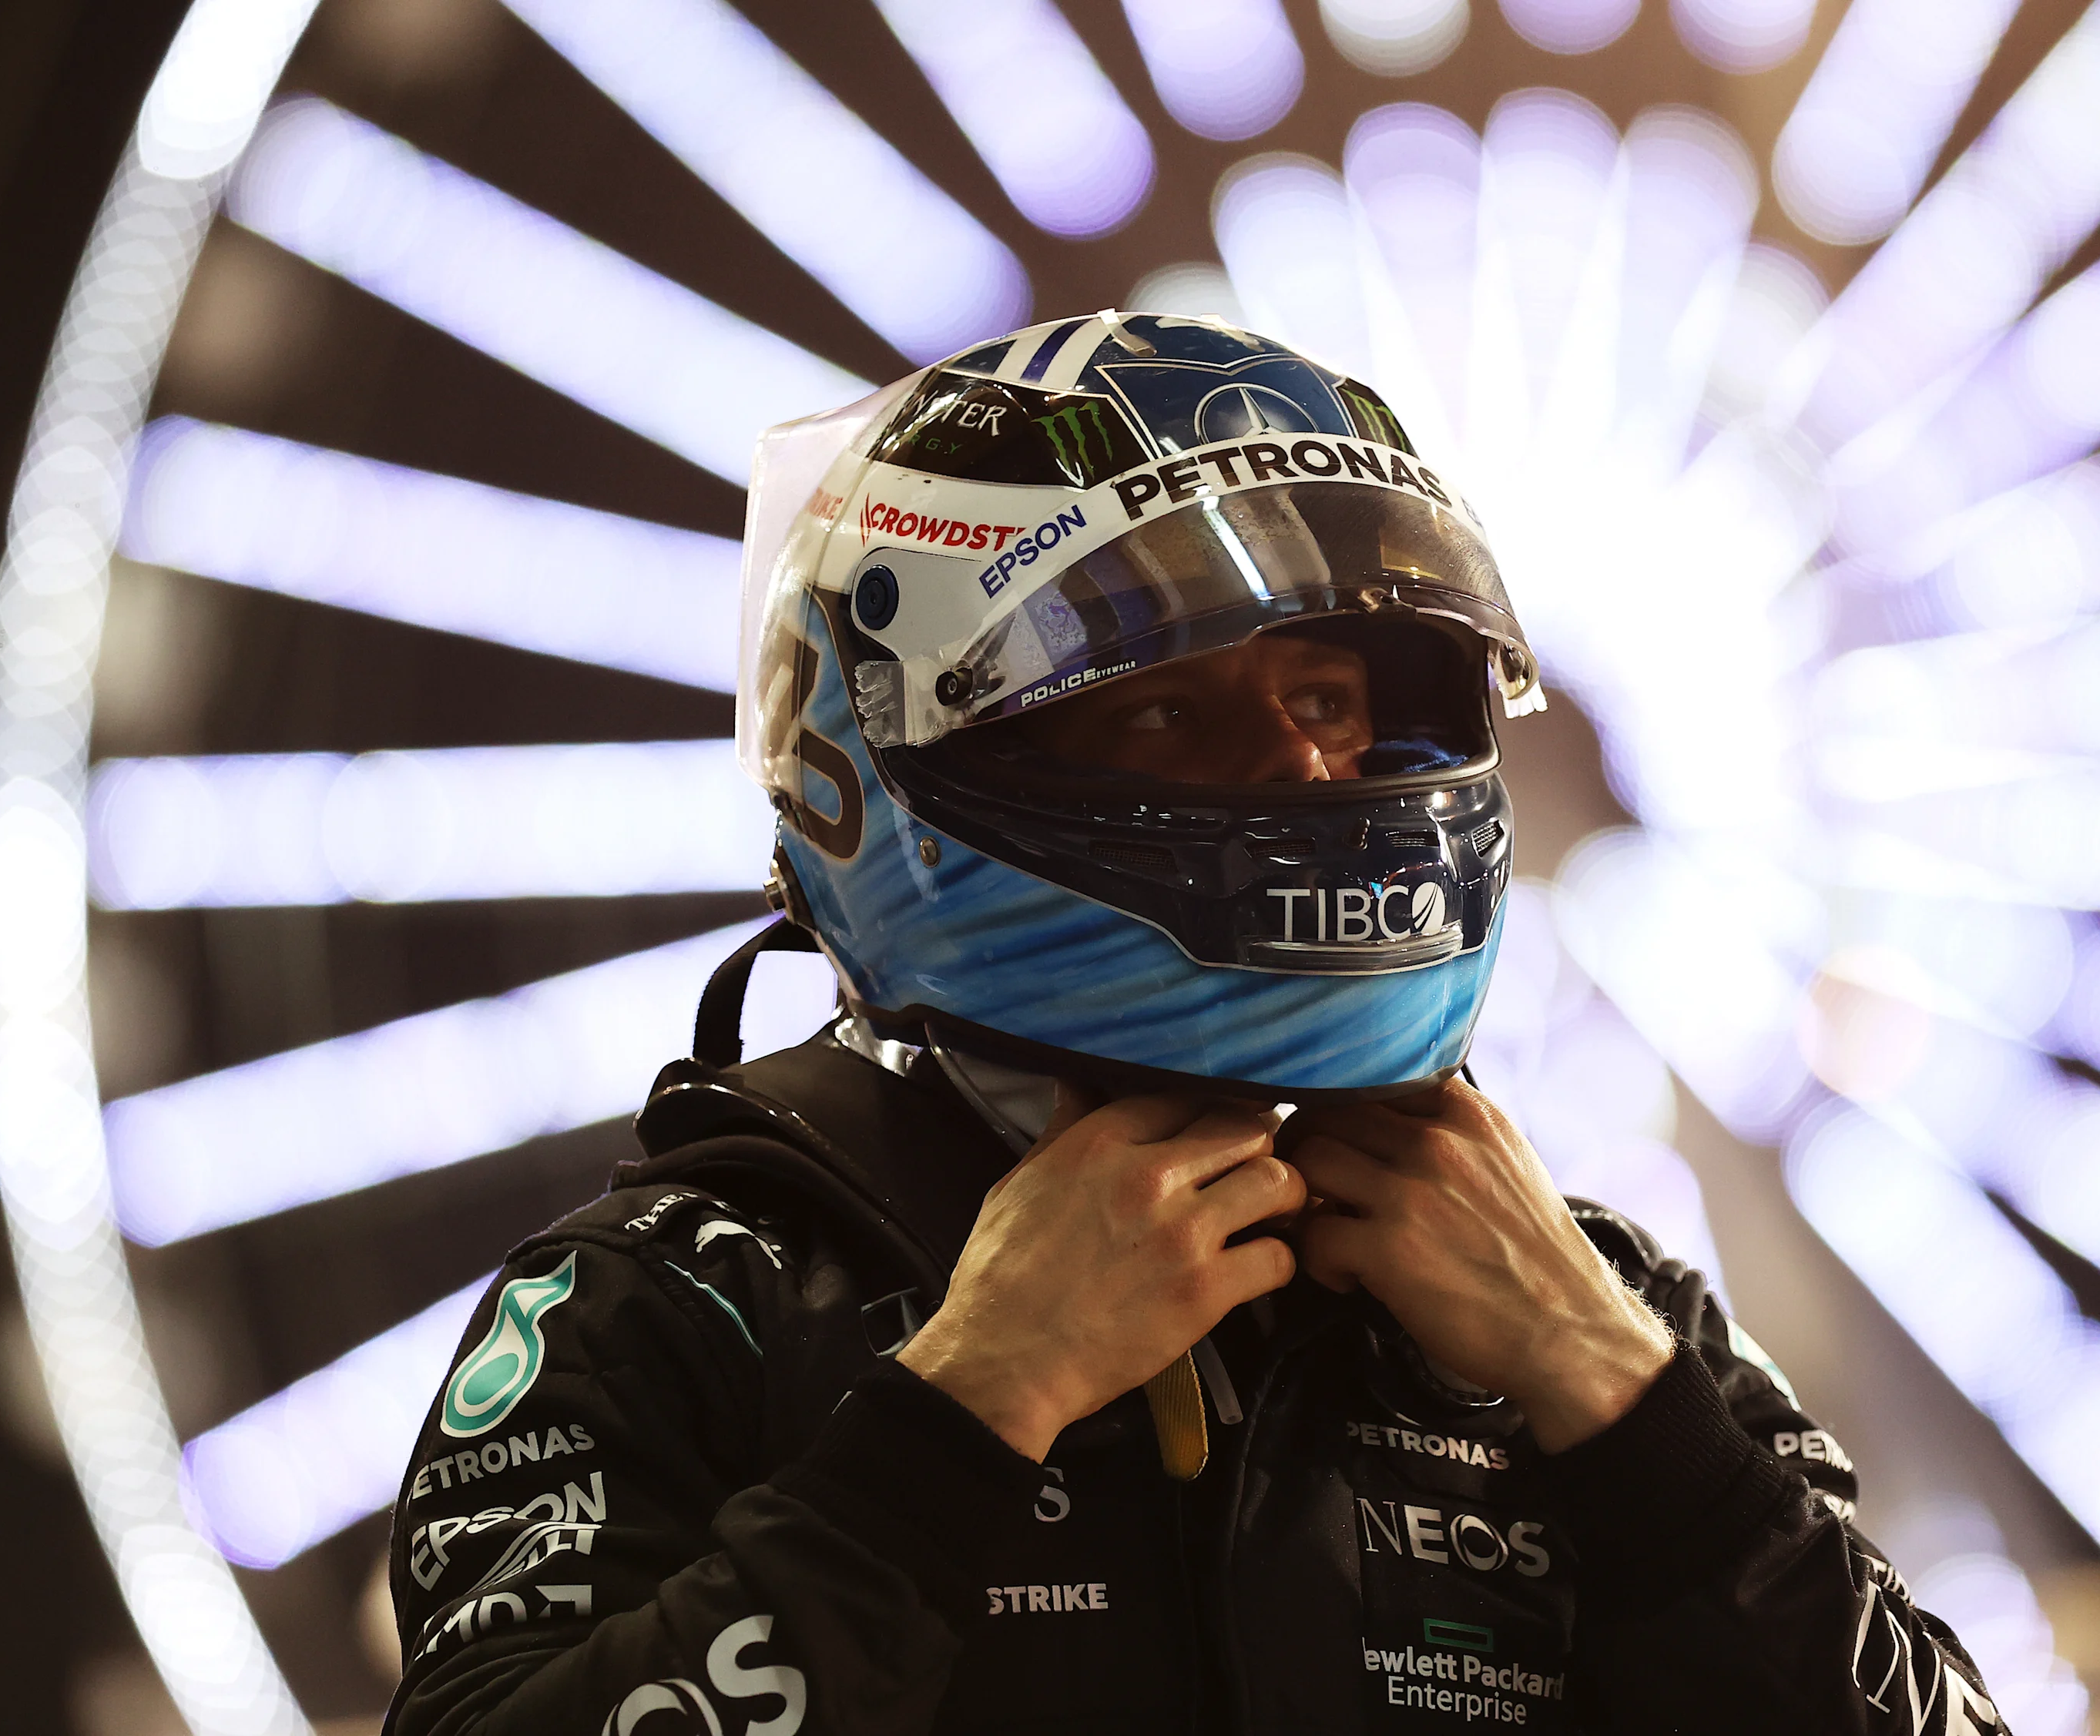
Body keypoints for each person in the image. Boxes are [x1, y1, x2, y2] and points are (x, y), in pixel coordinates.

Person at [381, 313, 2008, 1734]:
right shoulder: (677, 1297)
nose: (1307, 774)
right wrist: (959, 1415)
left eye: (1328, 702)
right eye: (1165, 703)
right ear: (889, 772)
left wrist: (1612, 1393)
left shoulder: (1588, 1300)